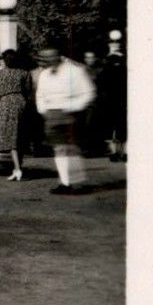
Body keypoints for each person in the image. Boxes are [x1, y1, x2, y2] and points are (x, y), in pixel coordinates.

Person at [34, 47, 96, 194]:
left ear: (58, 56)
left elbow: (89, 93)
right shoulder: (44, 74)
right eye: (44, 58)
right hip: (51, 116)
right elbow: (40, 95)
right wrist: (43, 110)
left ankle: (74, 183)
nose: (47, 60)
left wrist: (70, 107)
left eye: (50, 57)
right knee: (59, 150)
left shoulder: (75, 71)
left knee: (70, 149)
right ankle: (65, 182)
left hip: (71, 115)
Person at [0, 49, 32, 181]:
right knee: (19, 135)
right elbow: (28, 91)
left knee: (11, 138)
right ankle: (17, 167)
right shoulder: (24, 73)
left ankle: (17, 169)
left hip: (5, 104)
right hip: (21, 103)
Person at [97, 49, 127, 162]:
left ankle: (115, 152)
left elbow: (100, 88)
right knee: (121, 128)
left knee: (111, 129)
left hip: (109, 103)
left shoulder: (104, 71)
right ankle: (122, 152)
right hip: (120, 103)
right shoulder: (124, 71)